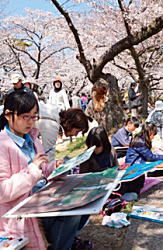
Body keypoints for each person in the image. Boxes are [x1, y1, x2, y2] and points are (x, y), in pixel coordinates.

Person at [0, 90, 87, 250]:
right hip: (18, 215)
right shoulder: (2, 145)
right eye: (26, 116)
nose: (31, 122)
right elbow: (3, 192)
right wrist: (33, 171)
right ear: (8, 115)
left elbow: (41, 168)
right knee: (71, 214)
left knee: (83, 203)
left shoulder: (32, 138)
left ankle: (65, 242)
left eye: (34, 116)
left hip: (41, 199)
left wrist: (54, 167)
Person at [120, 122, 163, 195]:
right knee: (136, 188)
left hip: (135, 167)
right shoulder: (140, 142)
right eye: (153, 135)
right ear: (150, 132)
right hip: (134, 169)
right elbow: (150, 157)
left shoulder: (139, 139)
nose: (153, 137)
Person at [47, 77, 70, 142]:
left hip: (61, 109)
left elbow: (66, 101)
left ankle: (66, 132)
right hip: (53, 109)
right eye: (56, 83)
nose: (57, 85)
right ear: (54, 84)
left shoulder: (62, 91)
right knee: (55, 123)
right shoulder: (51, 91)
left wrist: (68, 109)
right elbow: (49, 101)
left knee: (62, 122)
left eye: (58, 83)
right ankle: (59, 136)